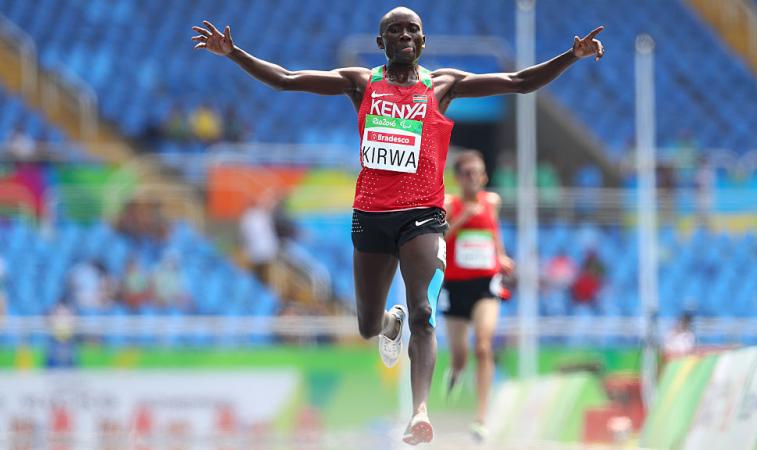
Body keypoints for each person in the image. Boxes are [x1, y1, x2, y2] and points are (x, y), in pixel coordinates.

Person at [192, 9, 604, 444]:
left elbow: (519, 82)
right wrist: (234, 53)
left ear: (423, 41)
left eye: (412, 30)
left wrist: (570, 56)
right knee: (368, 326)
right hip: (371, 215)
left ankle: (419, 411)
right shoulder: (362, 83)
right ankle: (389, 322)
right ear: (380, 42)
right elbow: (287, 79)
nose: (404, 35)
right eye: (394, 30)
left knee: (424, 313)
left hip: (423, 215)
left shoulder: (442, 84)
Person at [440, 150, 514, 442]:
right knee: (460, 356)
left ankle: (481, 418)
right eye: (468, 174)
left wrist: (502, 256)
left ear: (484, 176)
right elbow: (438, 237)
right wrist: (462, 219)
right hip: (455, 286)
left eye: (479, 173)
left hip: (485, 283)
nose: (474, 179)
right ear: (458, 178)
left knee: (483, 346)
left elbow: (492, 230)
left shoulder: (492, 202)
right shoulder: (449, 204)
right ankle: (456, 372)